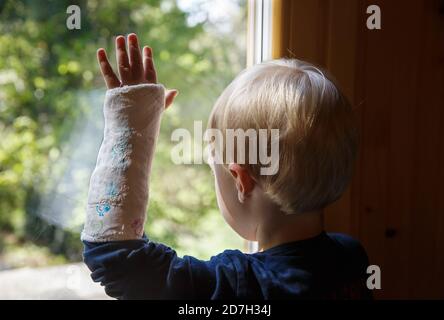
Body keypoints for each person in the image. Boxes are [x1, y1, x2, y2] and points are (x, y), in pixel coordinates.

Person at [82, 33, 371, 299]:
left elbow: (113, 254)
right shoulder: (351, 259)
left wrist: (132, 121)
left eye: (214, 170)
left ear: (241, 180)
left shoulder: (239, 287)